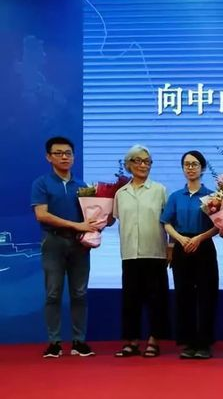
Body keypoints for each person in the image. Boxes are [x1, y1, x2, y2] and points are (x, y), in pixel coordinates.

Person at [31, 136, 98, 358]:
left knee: (80, 293)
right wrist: (76, 225)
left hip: (79, 245)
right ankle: (55, 343)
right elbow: (42, 215)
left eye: (68, 153)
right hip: (53, 242)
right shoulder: (41, 183)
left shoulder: (83, 187)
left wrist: (104, 219)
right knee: (53, 293)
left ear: (74, 157)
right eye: (58, 153)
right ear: (48, 157)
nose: (64, 157)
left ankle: (79, 342)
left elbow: (91, 216)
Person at [161, 150, 219, 359]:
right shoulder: (176, 196)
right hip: (182, 247)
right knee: (184, 295)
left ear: (202, 168)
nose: (190, 168)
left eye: (195, 164)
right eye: (187, 164)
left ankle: (204, 344)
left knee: (206, 295)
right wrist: (180, 238)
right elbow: (166, 222)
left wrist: (199, 238)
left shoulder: (213, 196)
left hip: (204, 246)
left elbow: (219, 225)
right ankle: (188, 343)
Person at [113, 145, 169, 358]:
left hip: (155, 252)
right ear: (128, 165)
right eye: (138, 161)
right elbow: (115, 218)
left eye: (147, 161)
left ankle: (154, 340)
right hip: (130, 253)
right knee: (131, 299)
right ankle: (132, 341)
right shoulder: (120, 193)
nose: (143, 165)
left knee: (156, 299)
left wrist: (171, 247)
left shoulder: (159, 190)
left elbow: (169, 221)